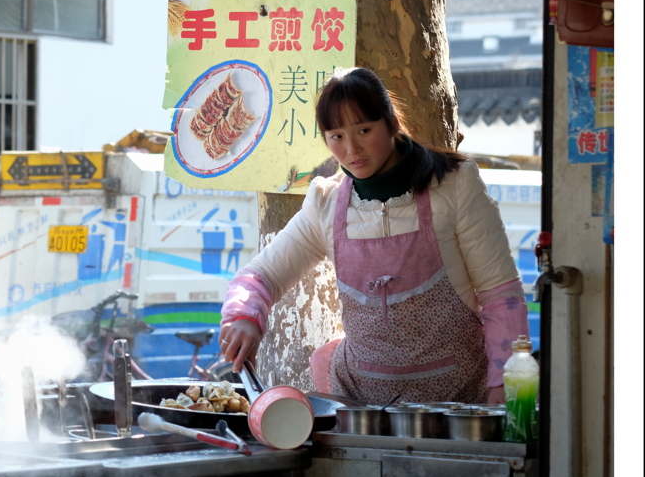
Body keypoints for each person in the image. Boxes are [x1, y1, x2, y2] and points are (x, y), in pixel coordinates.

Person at [218, 67, 528, 406]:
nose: (352, 149)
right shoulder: (326, 203)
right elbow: (258, 276)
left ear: (391, 122)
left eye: (364, 130)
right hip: (361, 407)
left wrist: (504, 392)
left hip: (458, 405)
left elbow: (502, 296)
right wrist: (245, 317)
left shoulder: (455, 186)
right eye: (336, 136)